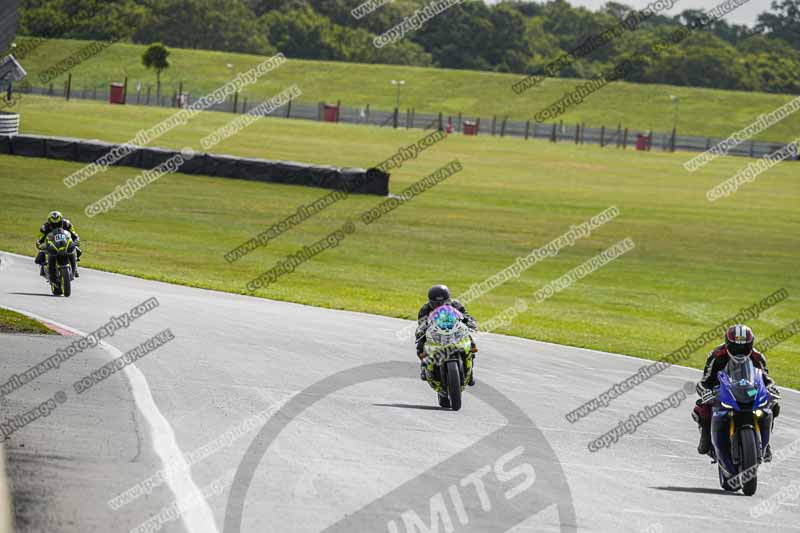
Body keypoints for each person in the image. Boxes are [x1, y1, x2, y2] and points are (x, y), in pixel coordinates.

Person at [693, 324, 781, 460]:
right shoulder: (716, 355)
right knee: (701, 408)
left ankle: (766, 443)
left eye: (744, 347)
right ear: (728, 345)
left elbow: (766, 379)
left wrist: (771, 387)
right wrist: (705, 393)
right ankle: (706, 438)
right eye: (735, 347)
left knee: (773, 404)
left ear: (750, 345)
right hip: (722, 392)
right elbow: (704, 381)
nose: (740, 351)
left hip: (750, 391)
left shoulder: (757, 357)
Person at [415, 284, 478, 383]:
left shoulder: (455, 304)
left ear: (448, 299)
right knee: (420, 345)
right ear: (430, 302)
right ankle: (424, 366)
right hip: (435, 331)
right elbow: (421, 324)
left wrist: (470, 321)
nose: (440, 305)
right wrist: (421, 330)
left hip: (454, 328)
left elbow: (465, 315)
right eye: (437, 303)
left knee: (469, 341)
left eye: (443, 302)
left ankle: (470, 373)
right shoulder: (425, 309)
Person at [35, 211, 82, 277]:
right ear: (49, 222)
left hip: (65, 242)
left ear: (61, 221)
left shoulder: (67, 224)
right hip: (52, 244)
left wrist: (77, 239)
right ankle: (43, 268)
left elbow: (73, 233)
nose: (56, 225)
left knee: (77, 249)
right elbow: (40, 238)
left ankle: (75, 268)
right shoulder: (45, 227)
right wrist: (39, 243)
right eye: (53, 224)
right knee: (41, 254)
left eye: (58, 223)